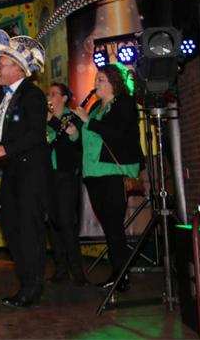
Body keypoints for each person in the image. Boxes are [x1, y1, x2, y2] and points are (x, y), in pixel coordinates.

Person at [0, 30, 50, 308]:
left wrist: (6, 149)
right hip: (13, 173)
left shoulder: (32, 95)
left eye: (1, 64)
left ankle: (32, 288)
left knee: (28, 231)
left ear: (16, 69)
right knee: (11, 228)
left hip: (30, 174)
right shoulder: (6, 96)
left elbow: (36, 134)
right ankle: (25, 284)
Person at [72, 63, 142, 292]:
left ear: (114, 83)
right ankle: (119, 273)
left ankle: (120, 276)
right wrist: (74, 133)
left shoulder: (124, 103)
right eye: (96, 80)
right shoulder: (95, 108)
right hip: (93, 173)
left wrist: (88, 121)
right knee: (109, 225)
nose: (95, 84)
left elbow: (117, 133)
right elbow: (86, 140)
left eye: (101, 80)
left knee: (113, 226)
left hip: (113, 172)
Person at [45, 82, 87, 286]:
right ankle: (60, 269)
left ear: (64, 98)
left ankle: (77, 271)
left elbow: (75, 139)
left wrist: (52, 120)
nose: (49, 97)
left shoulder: (72, 117)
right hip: (48, 175)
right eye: (48, 94)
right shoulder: (44, 119)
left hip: (66, 175)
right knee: (52, 222)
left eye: (54, 94)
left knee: (67, 222)